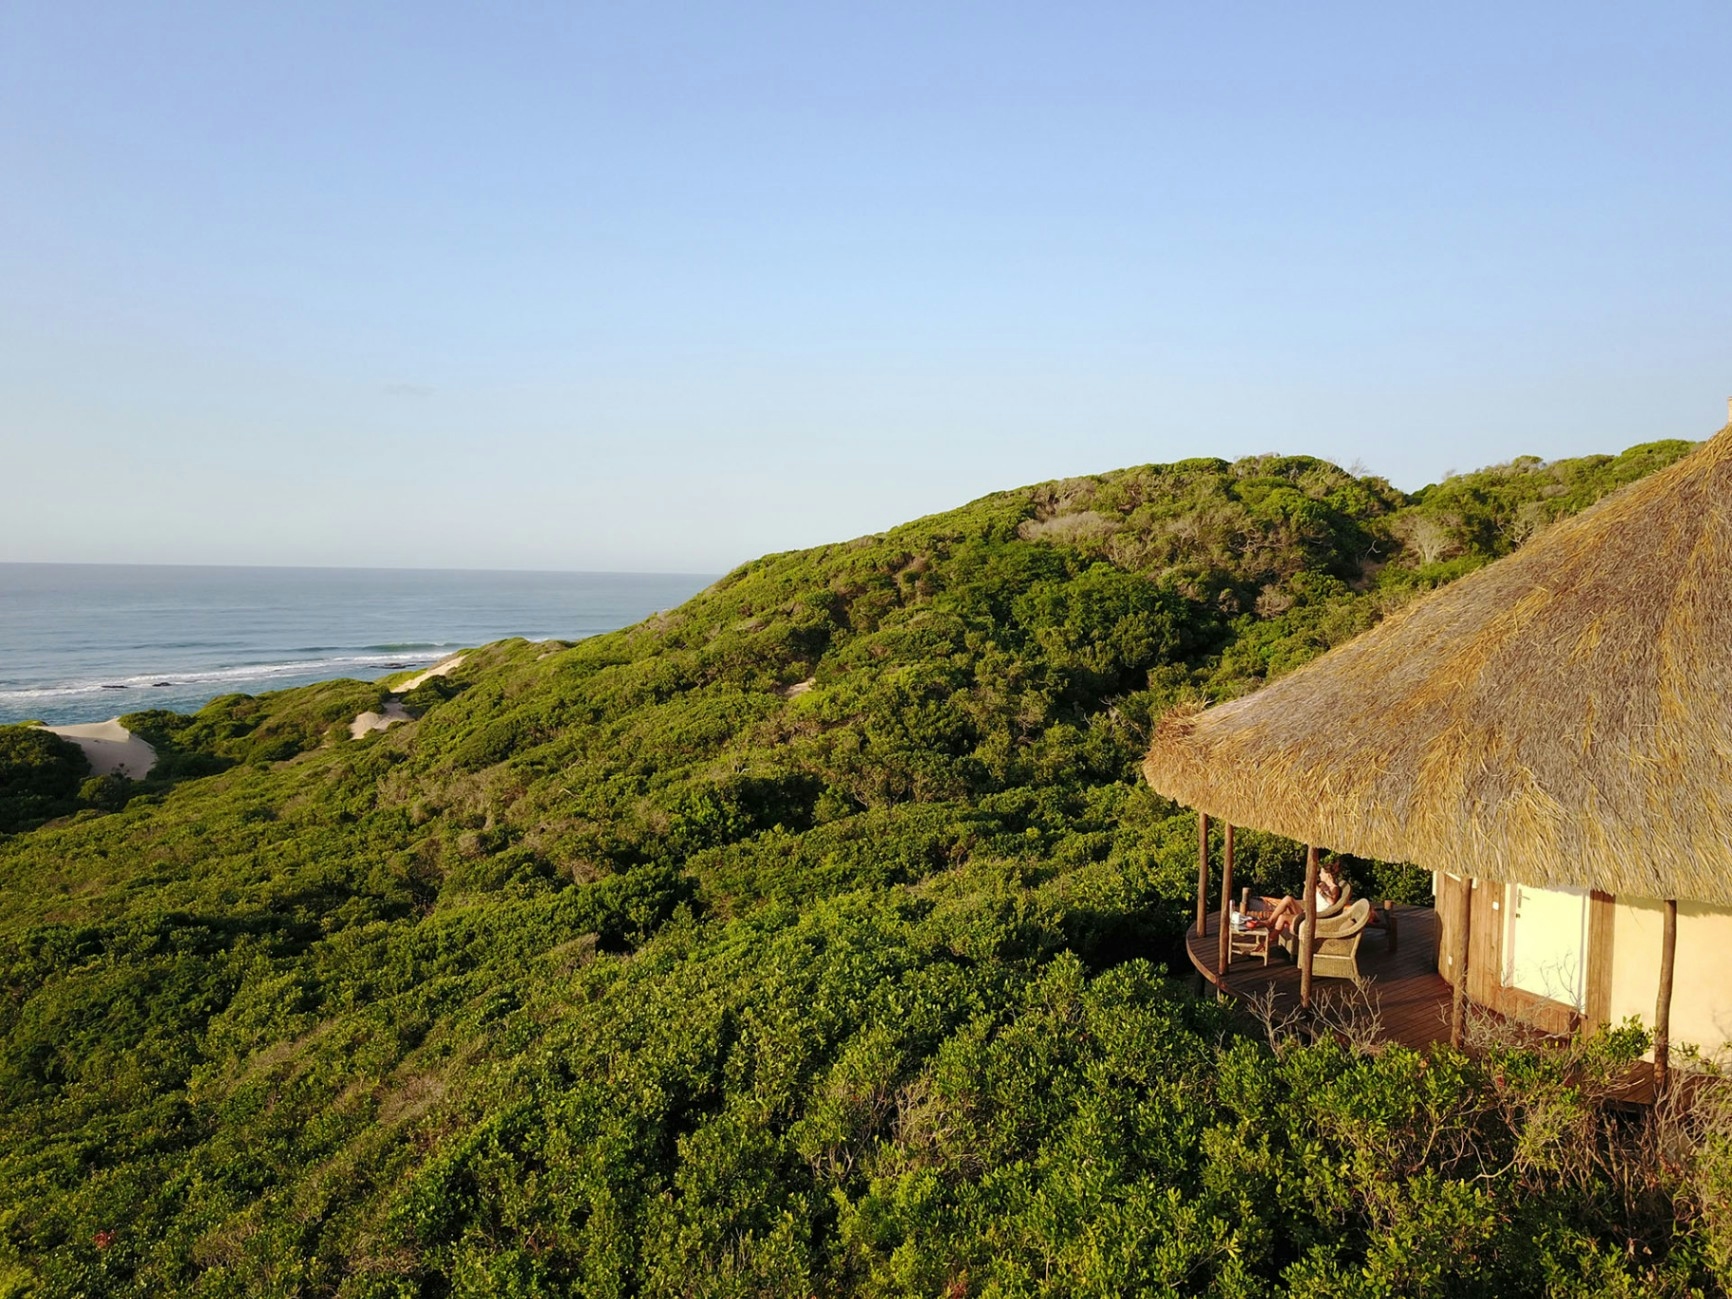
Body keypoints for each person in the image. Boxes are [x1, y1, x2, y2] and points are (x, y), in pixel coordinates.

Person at [1253, 858, 1345, 936]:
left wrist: (1320, 891)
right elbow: (1306, 899)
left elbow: (1332, 902)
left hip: (1316, 917)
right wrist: (1307, 887)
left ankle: (1267, 943)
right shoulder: (1321, 885)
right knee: (1287, 899)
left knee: (1282, 917)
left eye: (1321, 873)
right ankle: (1269, 922)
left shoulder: (1334, 888)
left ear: (1328, 875)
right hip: (1307, 913)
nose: (1319, 875)